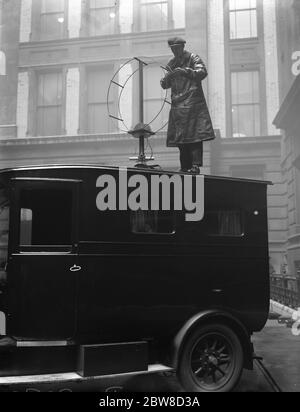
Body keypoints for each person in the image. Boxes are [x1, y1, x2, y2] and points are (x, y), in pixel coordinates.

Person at [160, 37, 215, 174]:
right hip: (178, 105)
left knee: (194, 137)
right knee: (181, 139)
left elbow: (202, 72)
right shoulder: (171, 63)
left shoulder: (193, 58)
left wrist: (185, 71)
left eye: (177, 47)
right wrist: (168, 78)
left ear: (183, 46)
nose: (175, 50)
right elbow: (164, 84)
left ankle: (195, 165)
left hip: (192, 103)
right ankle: (185, 166)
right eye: (173, 48)